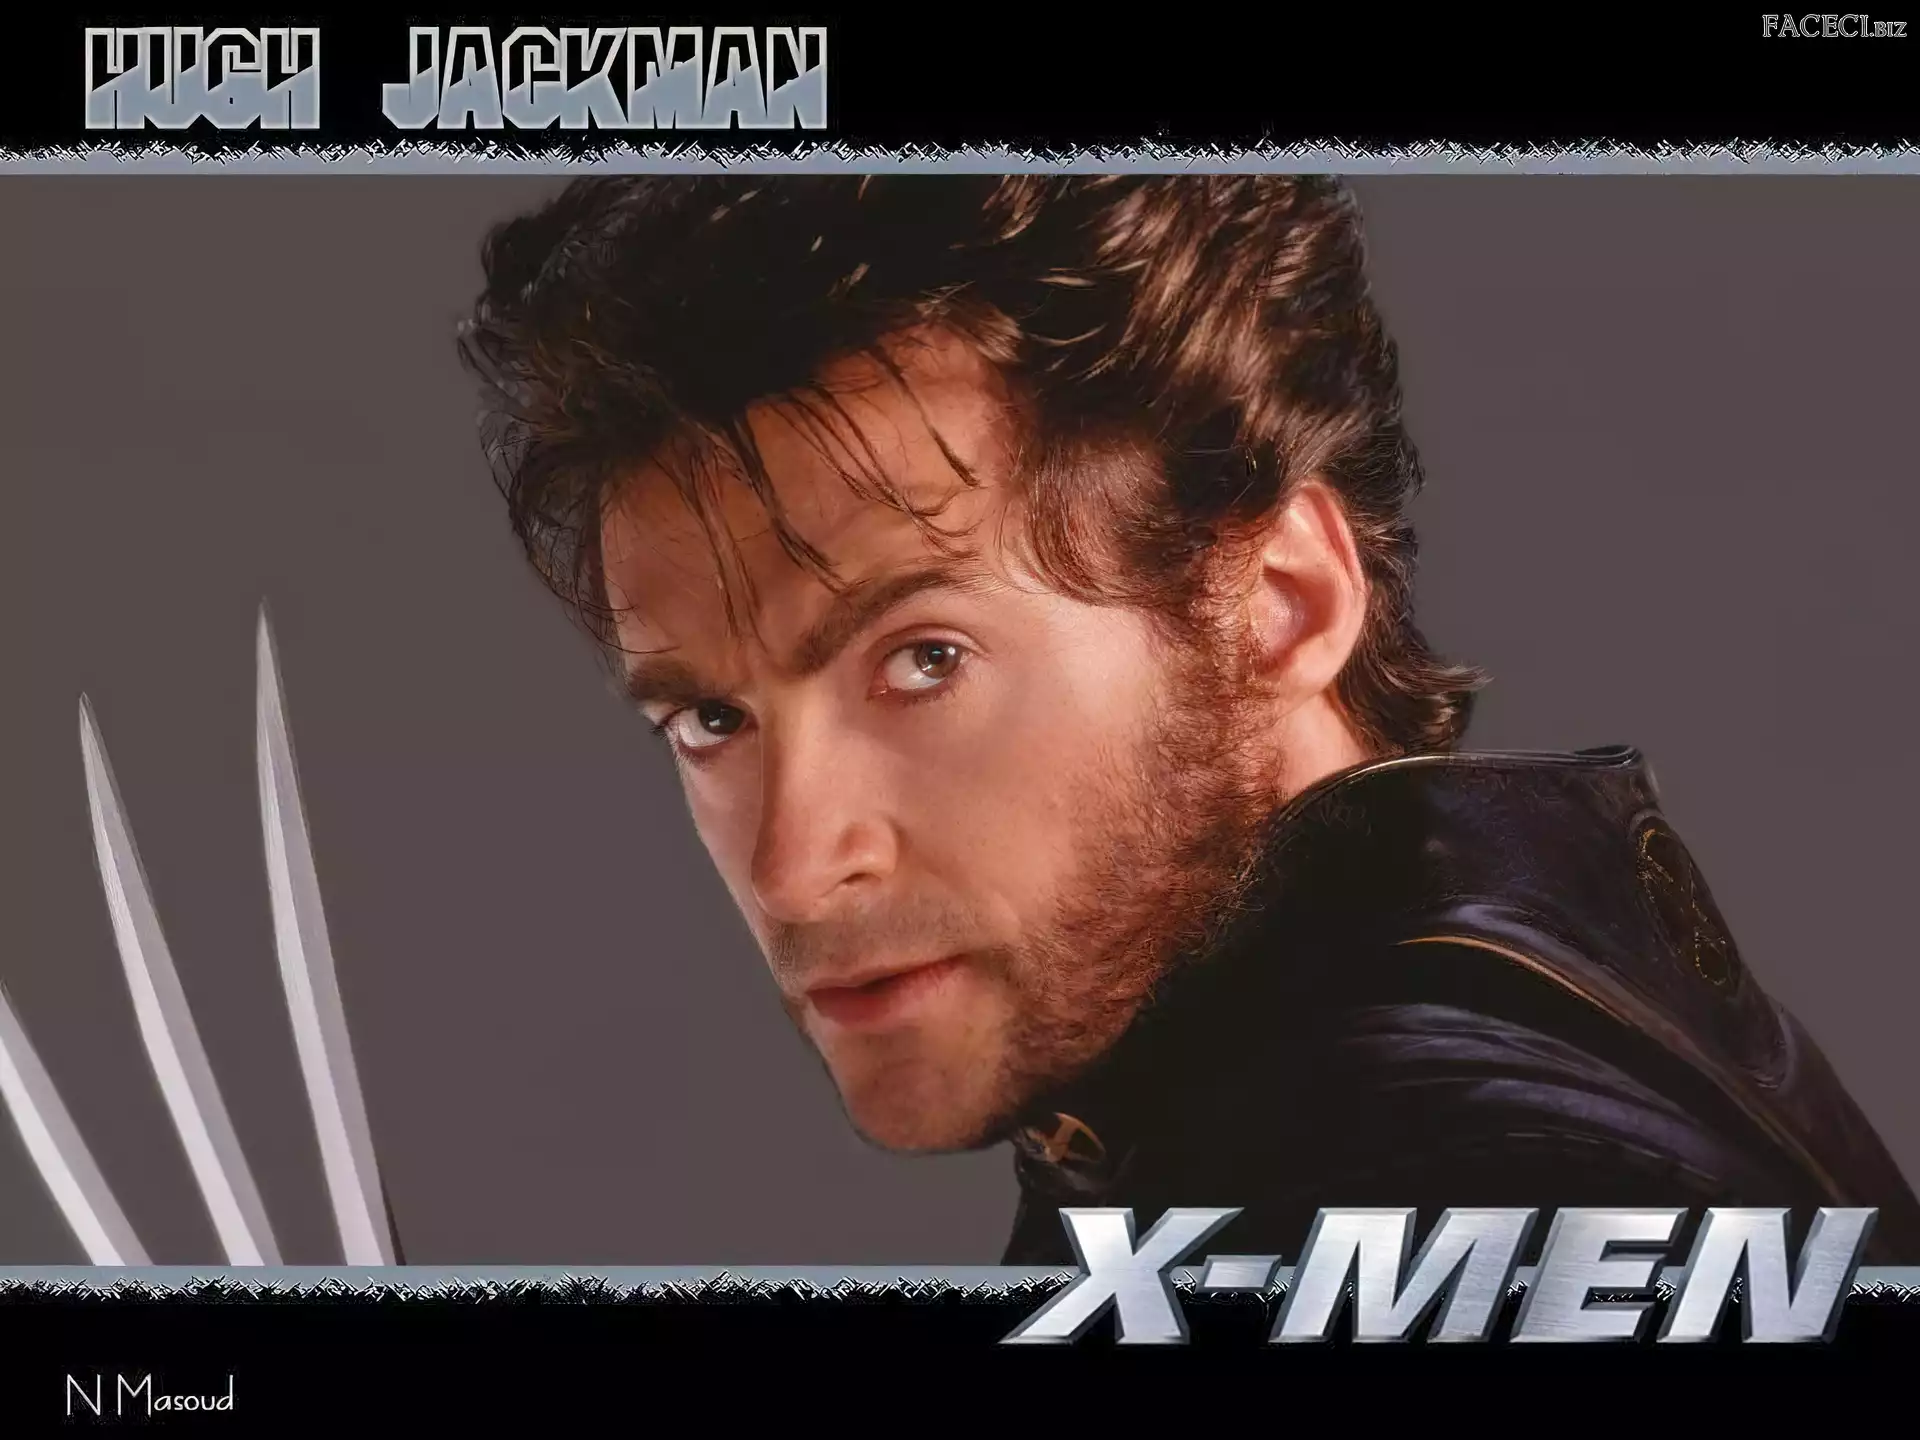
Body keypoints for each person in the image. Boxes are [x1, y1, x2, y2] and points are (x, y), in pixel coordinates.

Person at [457, 175, 1920, 1267]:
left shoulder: (1456, 1200)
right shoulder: (1326, 1109)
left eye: (923, 661)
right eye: (712, 718)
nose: (793, 867)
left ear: (1278, 605)